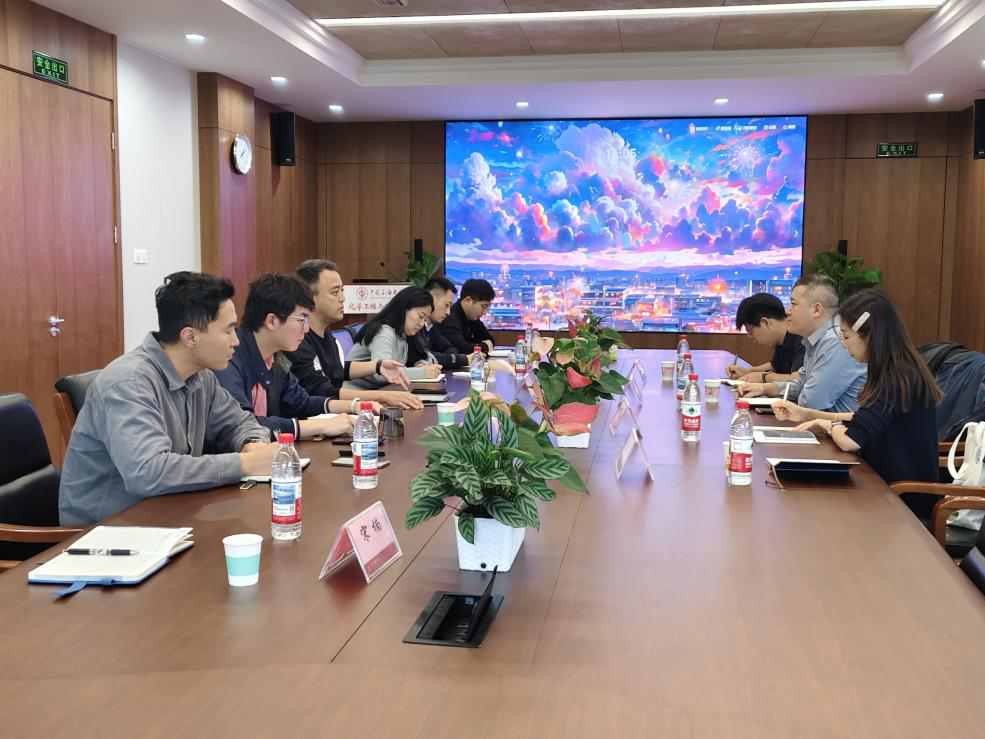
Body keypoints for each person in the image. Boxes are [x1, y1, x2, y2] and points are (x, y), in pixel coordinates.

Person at [59, 272, 279, 525]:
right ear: (190, 337)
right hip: (105, 530)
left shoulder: (201, 377)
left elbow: (240, 422)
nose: (236, 341)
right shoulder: (129, 383)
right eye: (228, 330)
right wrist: (243, 463)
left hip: (167, 512)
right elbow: (148, 472)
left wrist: (253, 444)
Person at [775, 289, 941, 497]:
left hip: (902, 496)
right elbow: (864, 418)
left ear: (869, 336)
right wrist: (809, 415)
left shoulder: (895, 378)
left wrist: (830, 426)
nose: (843, 345)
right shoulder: (897, 369)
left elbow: (849, 441)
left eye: (846, 336)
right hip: (883, 483)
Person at [213, 273, 356, 440]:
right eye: (302, 319)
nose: (306, 329)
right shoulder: (229, 358)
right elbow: (242, 425)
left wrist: (354, 406)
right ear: (272, 321)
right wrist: (322, 425)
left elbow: (301, 402)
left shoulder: (274, 357)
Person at [289, 259, 422, 410]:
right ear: (309, 297)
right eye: (335, 292)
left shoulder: (327, 334)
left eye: (342, 290)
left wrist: (378, 366)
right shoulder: (298, 340)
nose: (342, 298)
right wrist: (384, 396)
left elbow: (337, 369)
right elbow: (321, 391)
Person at [739, 275, 866, 413]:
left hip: (839, 426)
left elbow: (811, 402)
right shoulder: (815, 339)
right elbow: (800, 383)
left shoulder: (835, 341)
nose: (787, 311)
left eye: (793, 304)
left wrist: (771, 385)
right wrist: (764, 388)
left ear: (816, 310)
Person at [344, 286, 443, 390]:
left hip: (379, 392)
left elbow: (429, 356)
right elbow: (383, 373)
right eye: (420, 316)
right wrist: (423, 372)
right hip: (353, 394)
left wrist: (421, 364)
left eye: (425, 319)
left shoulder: (404, 334)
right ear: (404, 308)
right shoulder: (383, 331)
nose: (422, 324)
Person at [726, 293, 804, 383]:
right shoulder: (780, 338)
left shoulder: (801, 336)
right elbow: (775, 366)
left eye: (750, 332)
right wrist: (747, 371)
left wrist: (763, 377)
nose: (751, 338)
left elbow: (797, 380)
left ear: (765, 323)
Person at [407, 275, 472, 369]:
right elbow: (422, 355)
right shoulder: (414, 326)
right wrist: (463, 359)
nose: (448, 312)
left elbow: (449, 347)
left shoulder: (430, 325)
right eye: (447, 305)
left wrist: (451, 359)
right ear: (431, 297)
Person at [437, 278, 495, 355]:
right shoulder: (449, 318)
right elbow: (463, 349)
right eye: (483, 306)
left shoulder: (472, 317)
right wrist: (484, 345)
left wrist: (473, 344)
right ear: (468, 300)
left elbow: (490, 340)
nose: (485, 312)